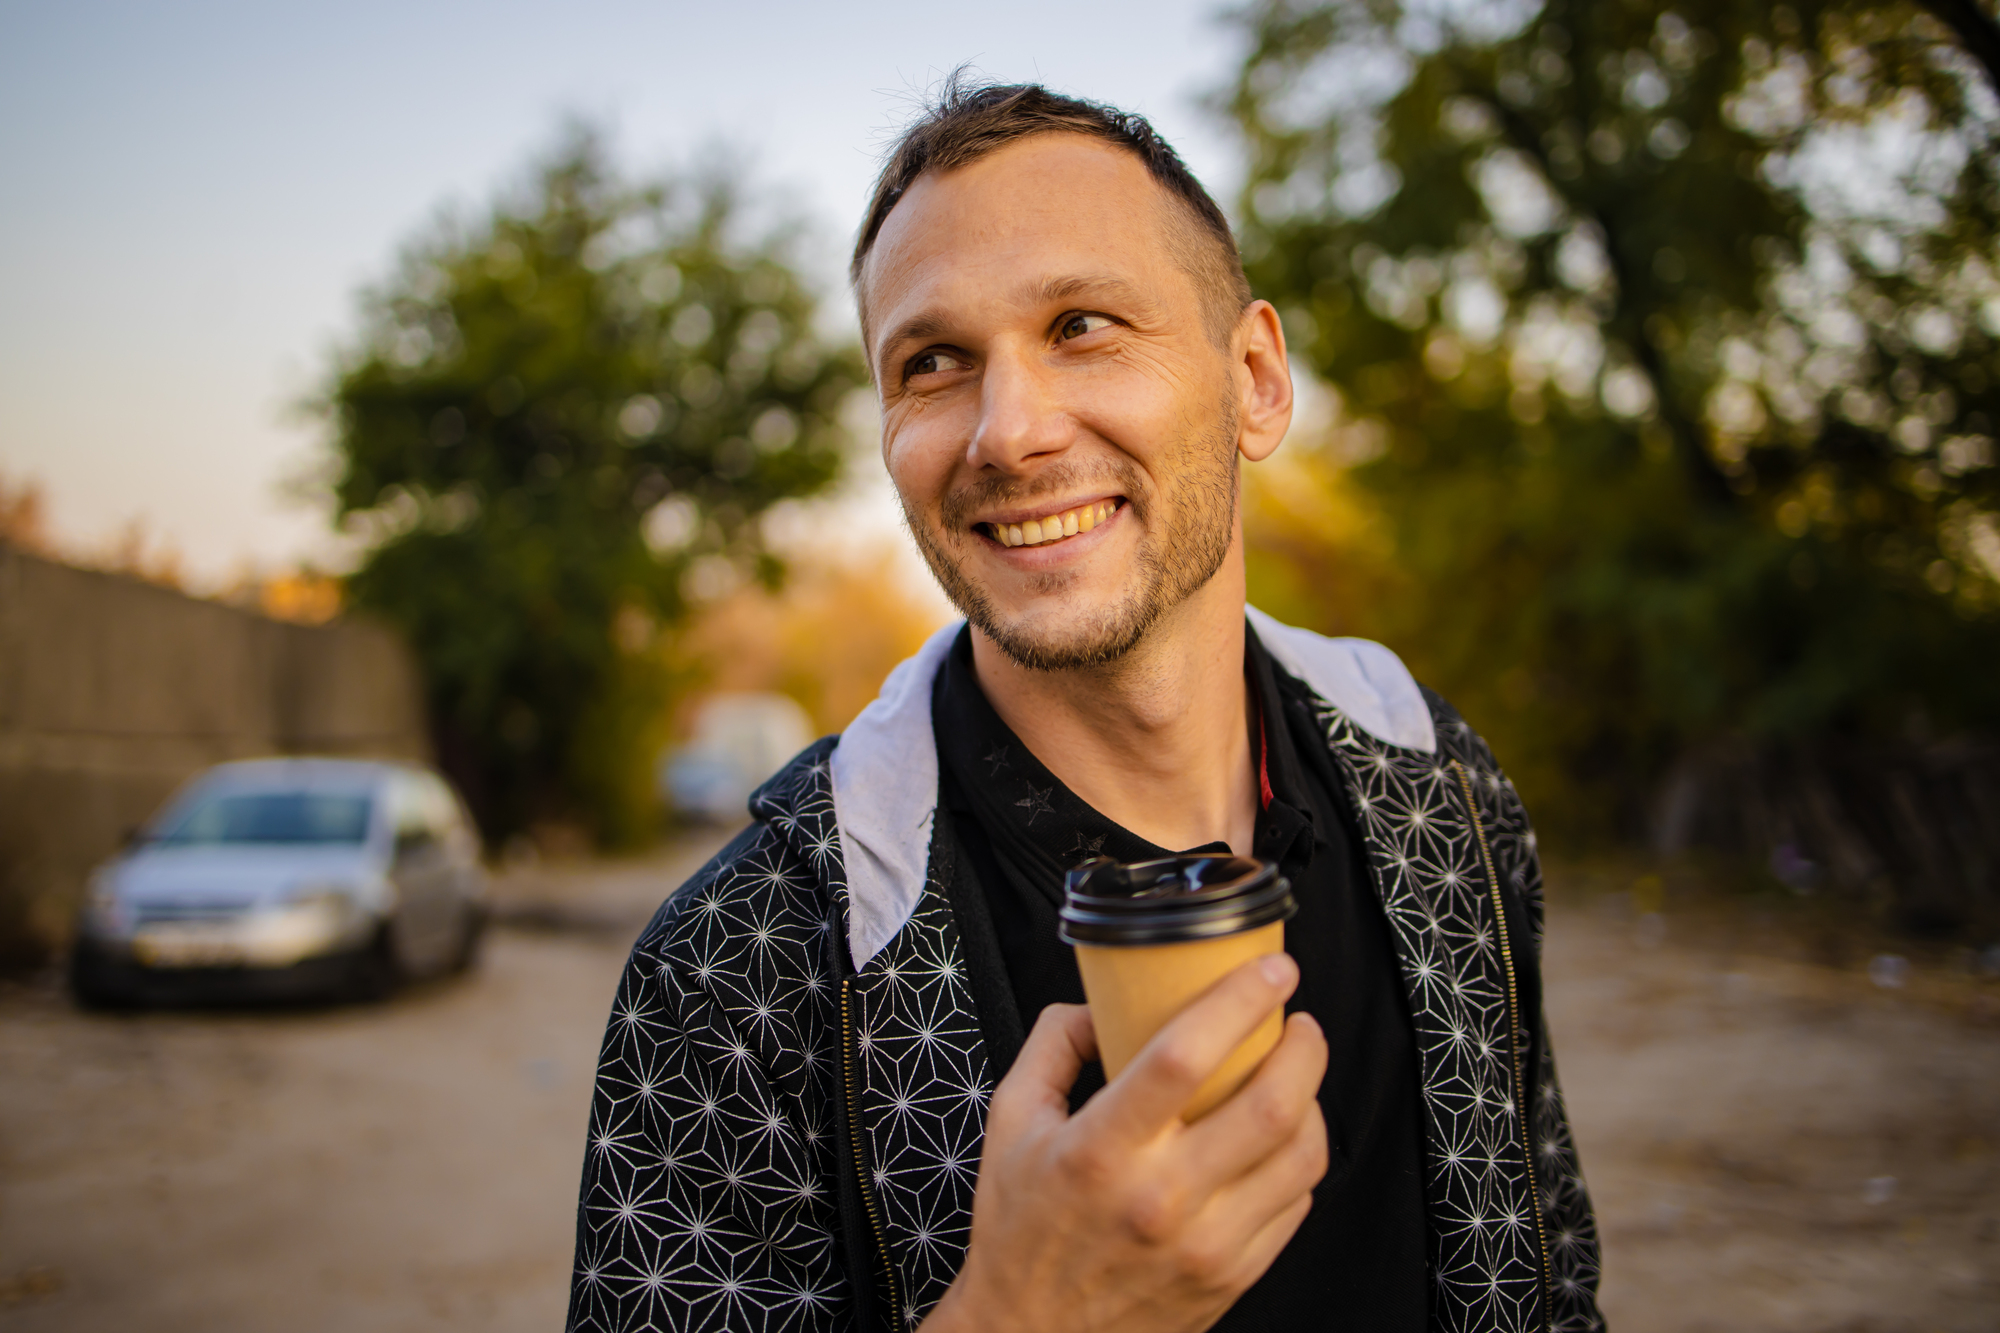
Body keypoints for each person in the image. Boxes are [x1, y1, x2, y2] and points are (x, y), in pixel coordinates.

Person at [568, 79, 1603, 1333]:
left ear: (1255, 383)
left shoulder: (1443, 794)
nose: (1007, 432)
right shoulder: (738, 965)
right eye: (932, 361)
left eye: (1082, 324)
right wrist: (1016, 1315)